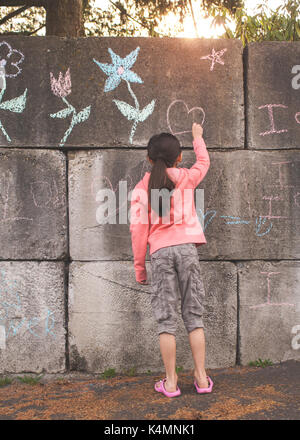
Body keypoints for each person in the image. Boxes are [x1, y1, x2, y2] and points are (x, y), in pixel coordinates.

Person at [129, 123, 213, 397]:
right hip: (187, 250)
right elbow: (203, 162)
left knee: (166, 320)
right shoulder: (186, 177)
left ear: (149, 160)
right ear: (178, 158)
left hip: (160, 254)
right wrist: (198, 138)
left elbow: (138, 231)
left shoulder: (141, 188)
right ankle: (201, 379)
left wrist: (140, 268)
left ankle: (171, 382)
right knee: (194, 315)